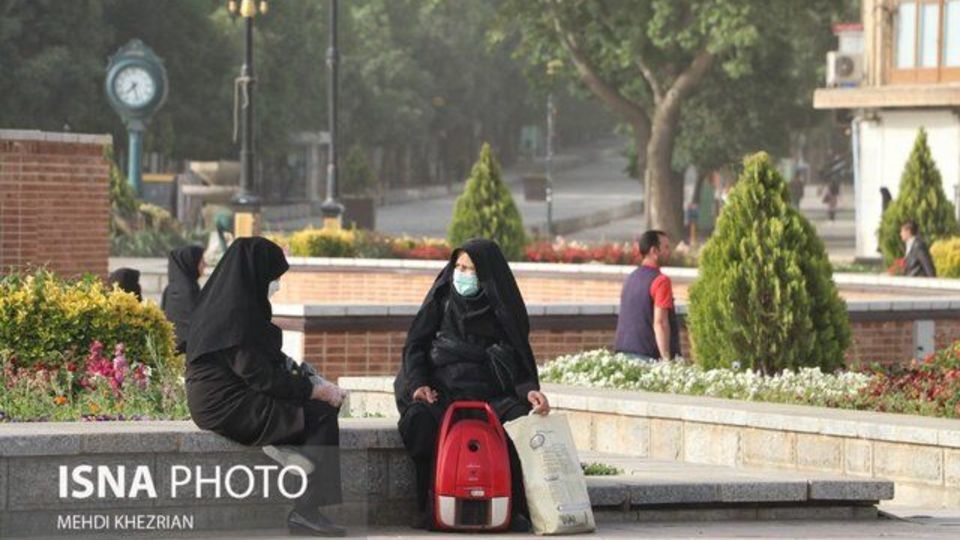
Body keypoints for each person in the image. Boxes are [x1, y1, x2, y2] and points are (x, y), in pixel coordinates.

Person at [184, 237, 347, 537]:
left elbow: (268, 362)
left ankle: (289, 449)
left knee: (309, 406)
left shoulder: (228, 304)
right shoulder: (235, 315)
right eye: (273, 278)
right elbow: (261, 377)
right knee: (321, 413)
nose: (275, 285)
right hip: (225, 404)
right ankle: (306, 511)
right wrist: (316, 390)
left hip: (225, 396)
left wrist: (308, 378)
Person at [393, 238, 550, 531]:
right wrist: (419, 384)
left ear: (487, 275)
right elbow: (415, 345)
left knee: (520, 421)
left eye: (470, 269)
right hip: (443, 389)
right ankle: (431, 506)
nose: (462, 275)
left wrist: (528, 391)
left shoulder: (502, 307)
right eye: (459, 267)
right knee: (420, 420)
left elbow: (517, 357)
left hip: (490, 393)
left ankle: (513, 509)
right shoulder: (443, 298)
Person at [614, 230, 680, 362]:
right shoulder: (661, 281)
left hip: (622, 352)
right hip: (648, 355)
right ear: (654, 251)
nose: (669, 252)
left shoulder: (630, 279)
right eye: (666, 247)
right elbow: (660, 322)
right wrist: (666, 358)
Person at [161, 245, 205, 354]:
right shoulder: (188, 289)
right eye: (201, 261)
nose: (205, 265)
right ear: (190, 262)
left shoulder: (171, 287)